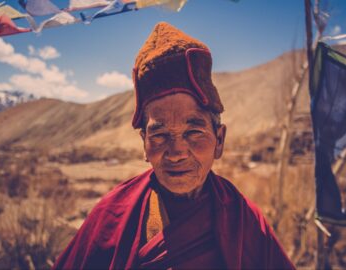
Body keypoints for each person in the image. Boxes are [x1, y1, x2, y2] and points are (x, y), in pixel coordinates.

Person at [53, 22, 295, 270]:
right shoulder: (112, 216)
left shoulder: (244, 222)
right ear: (144, 144)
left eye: (193, 132)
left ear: (219, 141)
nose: (177, 152)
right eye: (160, 135)